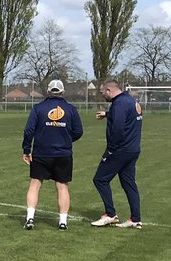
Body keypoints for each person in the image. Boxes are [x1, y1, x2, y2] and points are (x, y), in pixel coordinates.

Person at [21, 78, 83, 230]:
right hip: (63, 154)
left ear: (48, 91)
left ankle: (30, 219)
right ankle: (63, 222)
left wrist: (26, 150)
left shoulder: (38, 108)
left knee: (35, 185)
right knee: (62, 186)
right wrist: (66, 140)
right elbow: (78, 132)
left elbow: (29, 131)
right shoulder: (71, 109)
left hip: (41, 153)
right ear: (62, 92)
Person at [90, 80, 143, 229]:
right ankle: (135, 219)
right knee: (129, 183)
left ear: (109, 90)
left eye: (102, 93)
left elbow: (118, 127)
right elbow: (127, 116)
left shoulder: (118, 103)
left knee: (100, 179)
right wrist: (107, 114)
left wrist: (112, 148)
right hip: (133, 149)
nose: (102, 96)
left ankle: (110, 214)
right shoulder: (130, 100)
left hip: (120, 150)